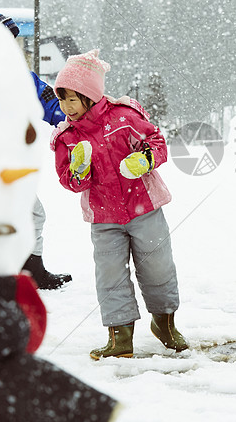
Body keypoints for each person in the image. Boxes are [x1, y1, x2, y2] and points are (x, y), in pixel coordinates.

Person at [50, 49, 188, 358]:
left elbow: (157, 142)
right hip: (103, 217)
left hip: (145, 208)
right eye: (62, 99)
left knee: (157, 267)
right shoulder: (67, 138)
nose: (66, 107)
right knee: (110, 274)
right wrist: (80, 170)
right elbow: (71, 183)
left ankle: (164, 323)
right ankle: (120, 338)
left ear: (90, 95)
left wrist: (146, 159)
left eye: (73, 98)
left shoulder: (124, 118)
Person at [0, 4, 72, 290]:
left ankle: (32, 271)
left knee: (31, 214)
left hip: (9, 164)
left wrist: (85, 116)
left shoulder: (20, 77)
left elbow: (52, 104)